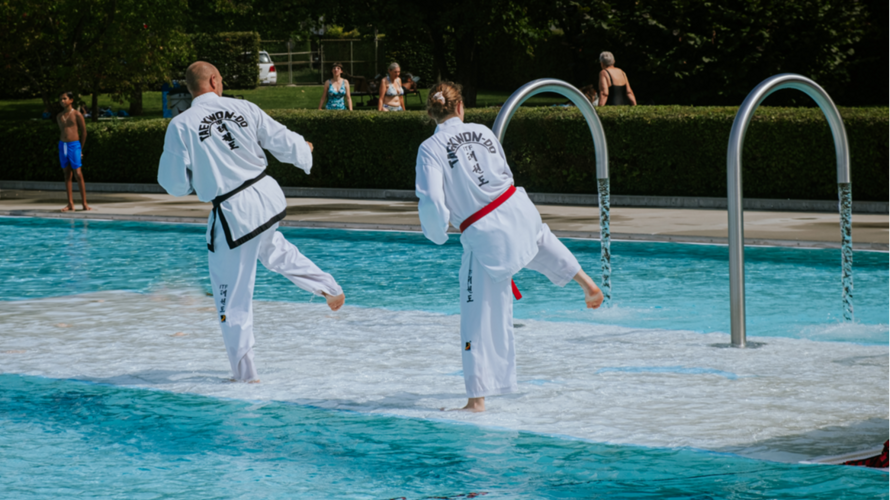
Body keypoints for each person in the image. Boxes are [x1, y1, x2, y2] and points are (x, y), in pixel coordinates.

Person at [415, 82, 605, 412]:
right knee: (539, 240)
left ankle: (476, 400)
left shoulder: (431, 147)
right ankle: (587, 284)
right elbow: (503, 170)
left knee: (476, 315)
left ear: (432, 114)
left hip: (484, 230)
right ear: (461, 108)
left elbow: (432, 198)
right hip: (516, 205)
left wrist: (437, 231)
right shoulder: (483, 132)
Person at [158, 61, 346, 383]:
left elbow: (173, 183)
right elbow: (281, 138)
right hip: (265, 197)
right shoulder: (243, 107)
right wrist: (305, 150)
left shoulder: (181, 125)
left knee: (230, 295)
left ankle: (246, 375)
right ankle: (328, 286)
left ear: (190, 89)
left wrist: (195, 178)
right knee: (273, 248)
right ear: (215, 80)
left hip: (234, 211)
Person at [56, 91, 91, 212]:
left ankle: (84, 203)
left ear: (71, 100)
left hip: (74, 145)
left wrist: (80, 148)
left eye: (65, 99)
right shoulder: (59, 116)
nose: (62, 101)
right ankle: (70, 203)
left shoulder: (77, 114)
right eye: (61, 99)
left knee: (78, 174)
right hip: (63, 145)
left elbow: (84, 132)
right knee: (67, 174)